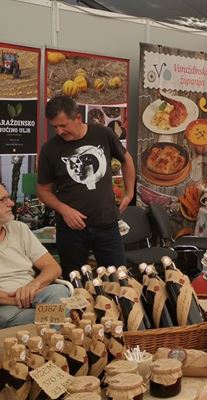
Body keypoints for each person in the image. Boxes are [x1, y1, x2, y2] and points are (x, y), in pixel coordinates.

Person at [37, 96, 135, 278]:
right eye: (54, 127)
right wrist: (64, 210)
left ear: (78, 118)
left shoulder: (103, 134)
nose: (59, 131)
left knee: (118, 279)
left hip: (106, 224)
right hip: (71, 230)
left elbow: (126, 159)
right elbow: (43, 191)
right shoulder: (49, 149)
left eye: (63, 125)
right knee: (75, 282)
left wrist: (129, 193)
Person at [0, 183, 70, 328]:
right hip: (5, 306)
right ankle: (56, 328)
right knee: (5, 316)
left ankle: (51, 333)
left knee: (59, 291)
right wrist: (15, 300)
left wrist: (33, 285)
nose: (11, 203)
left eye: (9, 198)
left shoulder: (19, 229)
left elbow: (53, 267)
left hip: (34, 295)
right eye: (3, 200)